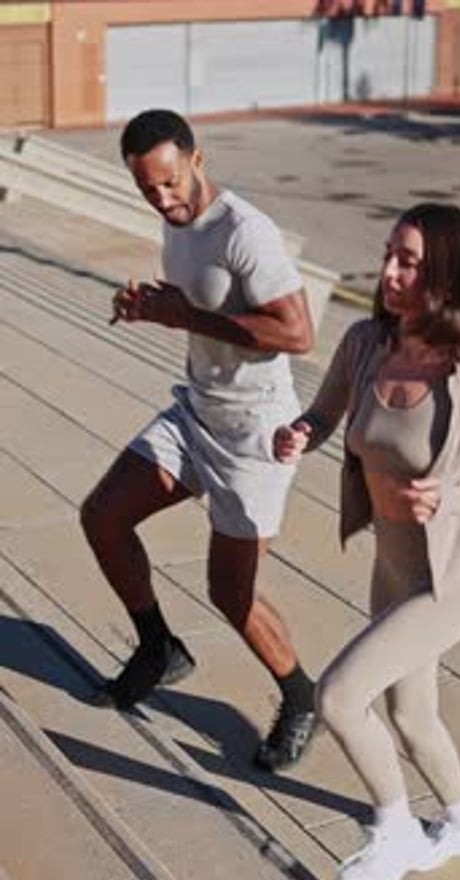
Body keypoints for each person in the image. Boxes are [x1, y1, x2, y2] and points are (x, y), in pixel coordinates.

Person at [80, 108, 317, 771]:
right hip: (197, 413)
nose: (163, 198)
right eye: (148, 188)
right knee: (102, 516)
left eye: (172, 181)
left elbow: (299, 335)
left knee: (230, 594)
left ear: (197, 160)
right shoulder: (175, 223)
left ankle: (301, 695)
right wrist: (155, 305)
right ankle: (158, 647)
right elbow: (200, 308)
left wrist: (188, 315)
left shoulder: (247, 232)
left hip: (255, 432)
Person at [273, 203, 460, 880]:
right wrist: (300, 434)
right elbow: (324, 412)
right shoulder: (367, 342)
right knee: (410, 712)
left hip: (456, 573)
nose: (390, 273)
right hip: (396, 564)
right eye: (389, 256)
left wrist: (449, 498)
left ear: (449, 278)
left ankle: (395, 828)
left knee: (340, 697)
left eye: (410, 262)